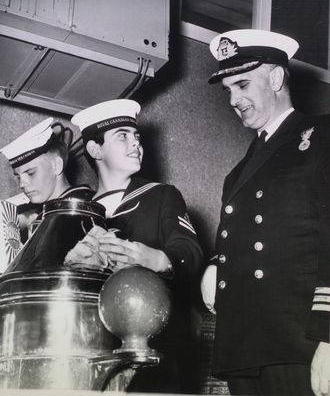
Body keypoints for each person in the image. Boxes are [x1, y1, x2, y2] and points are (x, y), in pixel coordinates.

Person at [200, 28, 330, 396]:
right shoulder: (237, 173)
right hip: (247, 347)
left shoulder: (321, 136)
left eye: (242, 84)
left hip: (300, 341)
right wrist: (215, 264)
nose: (233, 99)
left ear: (276, 78)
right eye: (228, 90)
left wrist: (329, 337)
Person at [70, 99, 204, 393]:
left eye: (137, 137)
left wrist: (155, 259)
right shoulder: (79, 213)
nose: (136, 145)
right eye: (123, 136)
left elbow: (191, 255)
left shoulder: (161, 196)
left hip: (155, 361)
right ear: (95, 150)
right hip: (91, 356)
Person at [1, 117, 93, 240]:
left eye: (31, 173)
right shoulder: (30, 211)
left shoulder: (87, 206)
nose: (22, 184)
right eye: (18, 177)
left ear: (57, 166)